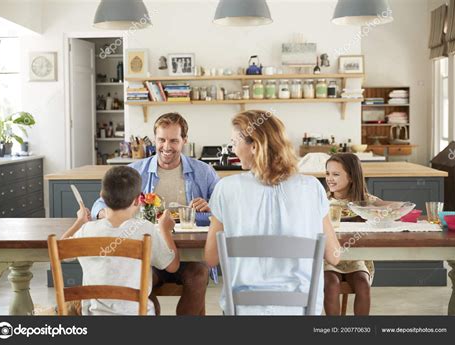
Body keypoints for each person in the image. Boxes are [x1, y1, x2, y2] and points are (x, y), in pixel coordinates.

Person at [204, 110, 341, 315]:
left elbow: (211, 258)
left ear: (254, 146)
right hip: (300, 310)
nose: (233, 150)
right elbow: (334, 255)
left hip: (244, 311)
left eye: (234, 143)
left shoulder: (226, 188)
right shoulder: (312, 187)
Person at [91, 112, 219, 315]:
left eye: (174, 141)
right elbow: (100, 203)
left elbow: (224, 207)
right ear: (155, 140)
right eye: (161, 140)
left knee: (198, 275)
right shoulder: (135, 171)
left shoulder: (204, 172)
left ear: (184, 140)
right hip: (149, 253)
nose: (167, 147)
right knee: (141, 277)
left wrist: (212, 206)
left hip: (190, 255)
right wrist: (107, 214)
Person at [61, 166, 179, 315]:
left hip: (95, 315)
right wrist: (165, 229)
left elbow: (62, 252)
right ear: (138, 201)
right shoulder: (146, 229)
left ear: (102, 197)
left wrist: (79, 221)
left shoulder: (87, 230)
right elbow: (172, 267)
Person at [324, 153, 379, 316]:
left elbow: (388, 207)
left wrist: (383, 210)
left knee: (363, 284)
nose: (329, 178)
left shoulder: (364, 201)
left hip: (355, 259)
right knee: (331, 284)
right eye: (327, 173)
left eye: (336, 174)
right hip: (328, 259)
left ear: (352, 177)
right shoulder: (322, 200)